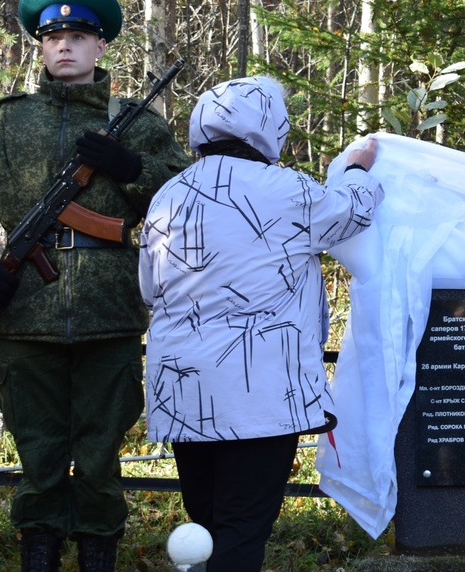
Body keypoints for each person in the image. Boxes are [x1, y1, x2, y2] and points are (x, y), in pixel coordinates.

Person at [0, 0, 189, 570]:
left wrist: (131, 168)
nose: (65, 46)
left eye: (79, 35)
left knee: (101, 451)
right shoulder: (2, 123)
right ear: (40, 45)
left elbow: (186, 205)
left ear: (101, 47)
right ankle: (39, 552)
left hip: (109, 311)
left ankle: (99, 551)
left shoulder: (139, 123)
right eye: (53, 36)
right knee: (39, 449)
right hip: (26, 308)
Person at [139, 76, 383, 572]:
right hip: (261, 390)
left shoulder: (168, 194)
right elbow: (355, 213)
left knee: (204, 523)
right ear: (271, 127)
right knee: (243, 525)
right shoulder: (287, 189)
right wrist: (357, 168)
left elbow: (149, 287)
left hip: (184, 389)